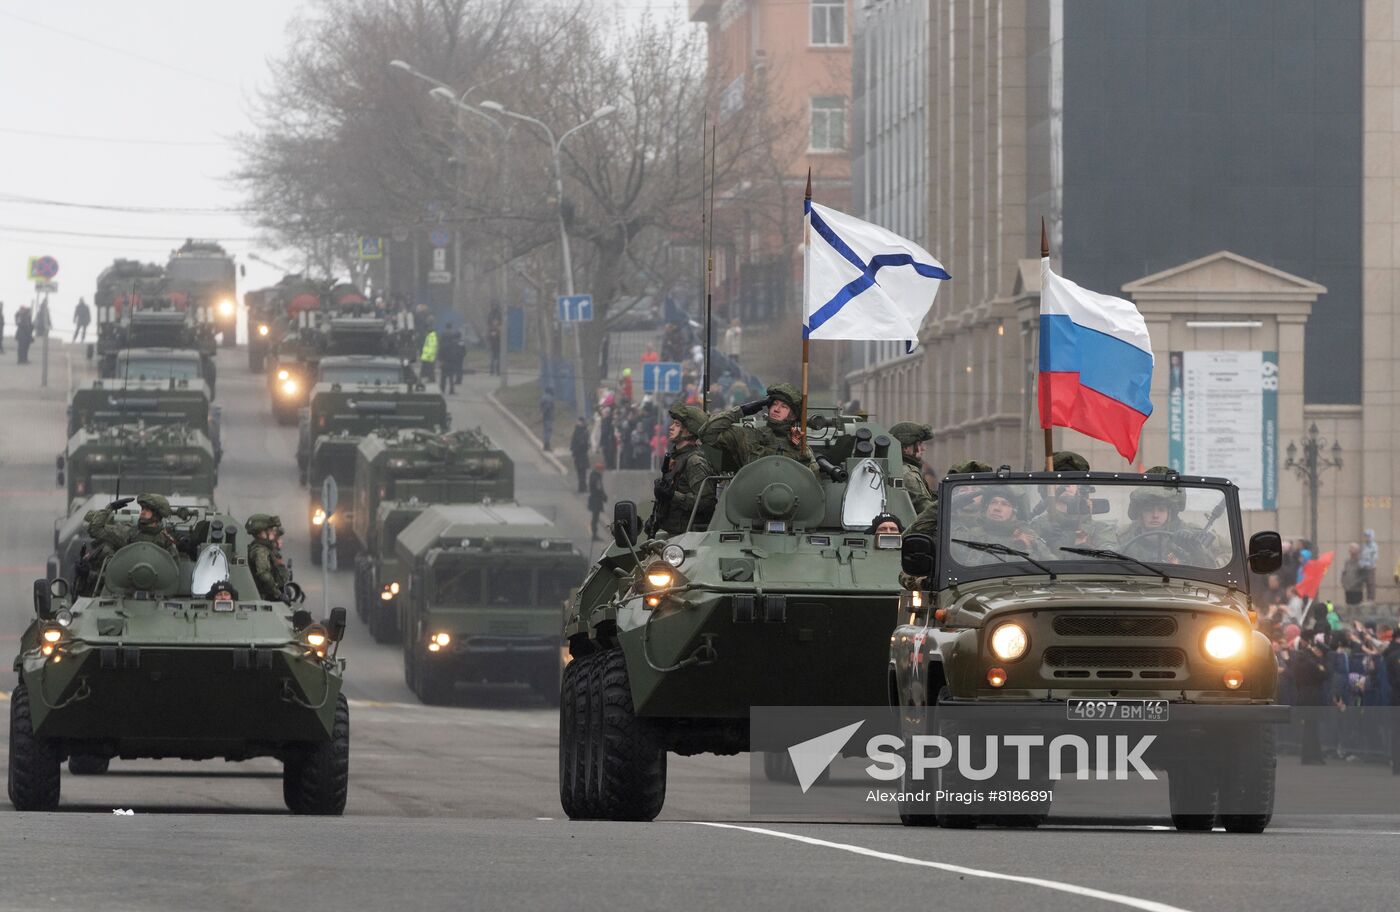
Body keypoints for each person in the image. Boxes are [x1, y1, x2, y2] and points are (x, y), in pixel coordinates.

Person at [698, 382, 815, 472]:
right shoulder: (748, 436)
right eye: (774, 404)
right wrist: (742, 411)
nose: (776, 409)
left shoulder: (801, 447)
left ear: (793, 415)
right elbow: (707, 433)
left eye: (784, 406)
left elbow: (811, 483)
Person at [645, 403, 717, 537]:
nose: (671, 428)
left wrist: (672, 495)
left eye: (677, 425)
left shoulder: (694, 461)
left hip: (687, 538)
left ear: (689, 431)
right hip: (672, 534)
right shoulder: (676, 457)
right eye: (673, 423)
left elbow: (706, 503)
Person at [906, 459, 993, 537]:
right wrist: (942, 506)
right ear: (954, 494)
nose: (968, 494)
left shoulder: (992, 523)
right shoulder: (940, 523)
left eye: (975, 490)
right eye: (963, 489)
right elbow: (909, 537)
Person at [1292, 634, 1331, 765]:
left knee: (1309, 728)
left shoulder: (1301, 659)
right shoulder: (1313, 662)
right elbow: (1324, 674)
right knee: (1312, 728)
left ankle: (1310, 755)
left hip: (1304, 694)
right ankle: (1311, 755)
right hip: (1313, 696)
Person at [888, 422, 935, 513]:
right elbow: (926, 510)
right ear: (905, 448)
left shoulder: (900, 468)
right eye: (919, 443)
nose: (923, 448)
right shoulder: (906, 473)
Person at [246, 514, 291, 601]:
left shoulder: (266, 548)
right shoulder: (260, 551)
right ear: (261, 533)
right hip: (265, 597)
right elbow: (263, 574)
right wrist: (278, 593)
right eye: (270, 530)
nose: (273, 532)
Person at [1382, 632, 1400, 774]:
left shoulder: (1390, 655)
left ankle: (1396, 763)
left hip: (1394, 696)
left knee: (1396, 733)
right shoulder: (1396, 656)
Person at [439, 327, 465, 394]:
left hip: (444, 362)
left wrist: (440, 360)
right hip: (451, 362)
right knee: (451, 377)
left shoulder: (443, 344)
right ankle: (451, 390)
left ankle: (442, 389)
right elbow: (458, 352)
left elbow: (440, 353)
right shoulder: (454, 344)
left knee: (443, 377)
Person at [587, 463, 607, 542]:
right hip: (596, 500)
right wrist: (603, 496)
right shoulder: (596, 478)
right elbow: (599, 488)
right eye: (601, 470)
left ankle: (594, 534)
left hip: (594, 499)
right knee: (595, 517)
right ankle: (594, 534)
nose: (602, 472)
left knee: (595, 517)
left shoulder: (593, 476)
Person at [1342, 543, 1366, 608]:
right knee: (1348, 607)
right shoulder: (1347, 562)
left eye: (1352, 549)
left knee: (1356, 608)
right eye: (1350, 549)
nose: (1350, 551)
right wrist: (1344, 584)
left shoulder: (1361, 562)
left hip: (1357, 591)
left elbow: (1363, 576)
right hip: (1348, 590)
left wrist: (1355, 583)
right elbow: (1344, 573)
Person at [570, 417, 590, 493]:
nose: (578, 423)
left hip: (582, 454)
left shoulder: (583, 431)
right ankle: (582, 486)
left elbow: (582, 442)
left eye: (580, 422)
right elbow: (574, 441)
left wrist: (575, 450)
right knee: (580, 471)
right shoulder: (577, 430)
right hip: (578, 454)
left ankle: (582, 487)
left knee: (582, 471)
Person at [1360, 528, 1378, 601]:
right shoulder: (1364, 545)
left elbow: (1374, 556)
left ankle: (1371, 598)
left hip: (1370, 567)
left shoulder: (1373, 545)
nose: (1366, 538)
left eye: (1368, 536)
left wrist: (1371, 565)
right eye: (1366, 536)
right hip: (1364, 566)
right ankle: (1365, 598)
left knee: (1370, 583)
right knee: (1364, 583)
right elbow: (1362, 555)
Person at [487, 304, 503, 376]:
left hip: (497, 343)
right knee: (493, 357)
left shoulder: (496, 314)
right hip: (494, 344)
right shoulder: (493, 329)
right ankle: (493, 371)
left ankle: (496, 371)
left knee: (496, 357)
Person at [539, 386, 556, 452]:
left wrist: (541, 414)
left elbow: (541, 407)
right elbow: (548, 407)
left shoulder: (543, 397)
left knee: (545, 431)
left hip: (545, 417)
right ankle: (547, 446)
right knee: (548, 431)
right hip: (549, 417)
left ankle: (545, 445)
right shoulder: (550, 398)